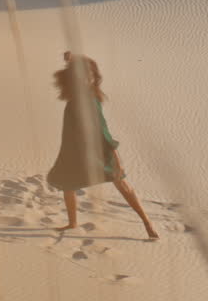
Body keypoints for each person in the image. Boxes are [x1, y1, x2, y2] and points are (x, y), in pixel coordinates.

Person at [46, 51, 159, 239]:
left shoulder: (89, 98)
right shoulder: (79, 94)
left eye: (89, 75)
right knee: (68, 182)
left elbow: (102, 130)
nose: (88, 78)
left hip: (97, 148)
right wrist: (73, 59)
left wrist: (114, 154)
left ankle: (147, 223)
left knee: (120, 182)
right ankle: (72, 222)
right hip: (74, 148)